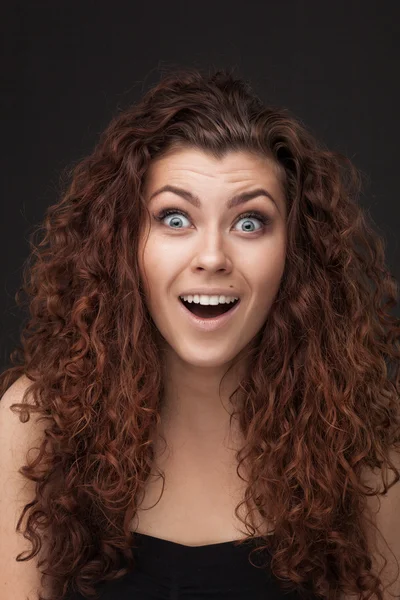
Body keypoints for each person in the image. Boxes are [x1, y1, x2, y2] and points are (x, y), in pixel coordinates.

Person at [0, 66, 399, 600]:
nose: (212, 257)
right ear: (126, 242)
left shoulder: (366, 444)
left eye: (249, 222)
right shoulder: (34, 423)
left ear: (294, 254)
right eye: (174, 218)